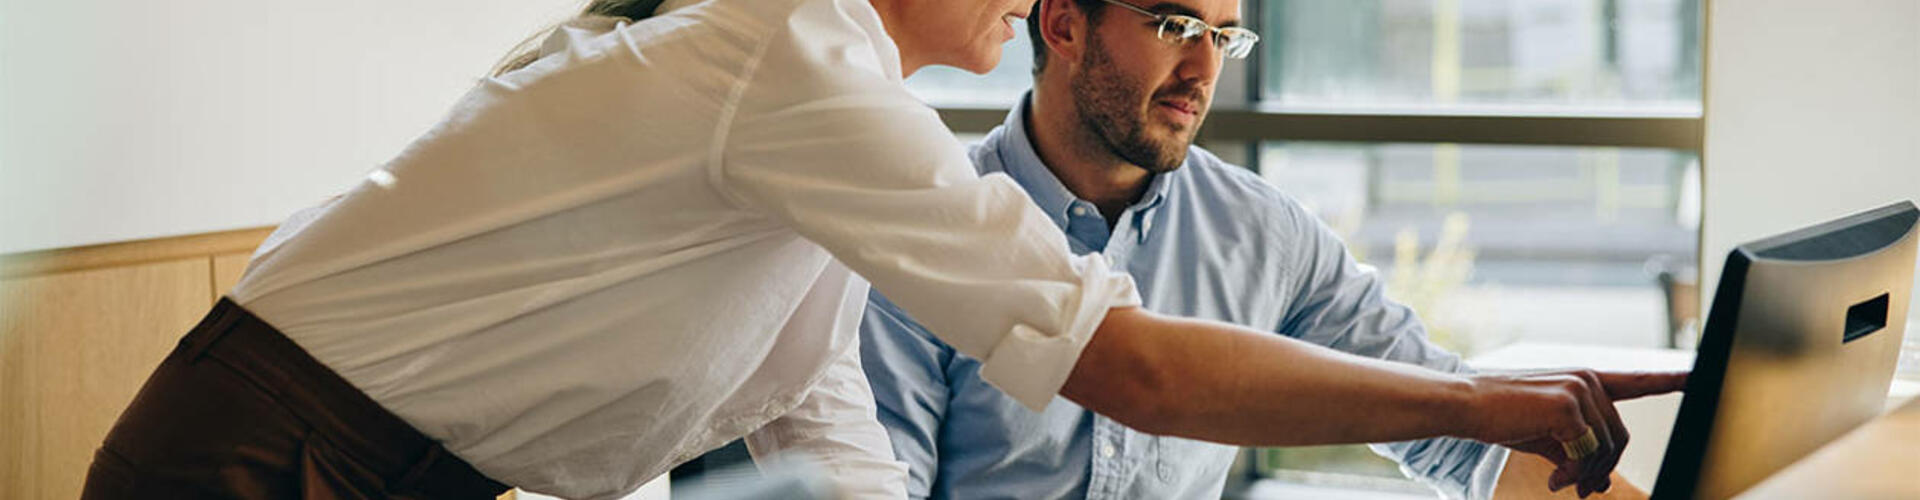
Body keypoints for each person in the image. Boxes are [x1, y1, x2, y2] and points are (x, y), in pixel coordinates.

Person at [82, 0, 1681, 498]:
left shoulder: (839, 120)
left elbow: (810, 404)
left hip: (376, 462)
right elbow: (1121, 363)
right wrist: (1483, 404)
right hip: (270, 455)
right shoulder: (792, 62)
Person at [859, 0, 1664, 499]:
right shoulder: (930, 233)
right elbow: (871, 482)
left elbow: (1453, 429)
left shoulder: (1264, 232)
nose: (1203, 70)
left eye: (1226, 39)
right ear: (1064, 23)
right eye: (1175, 25)